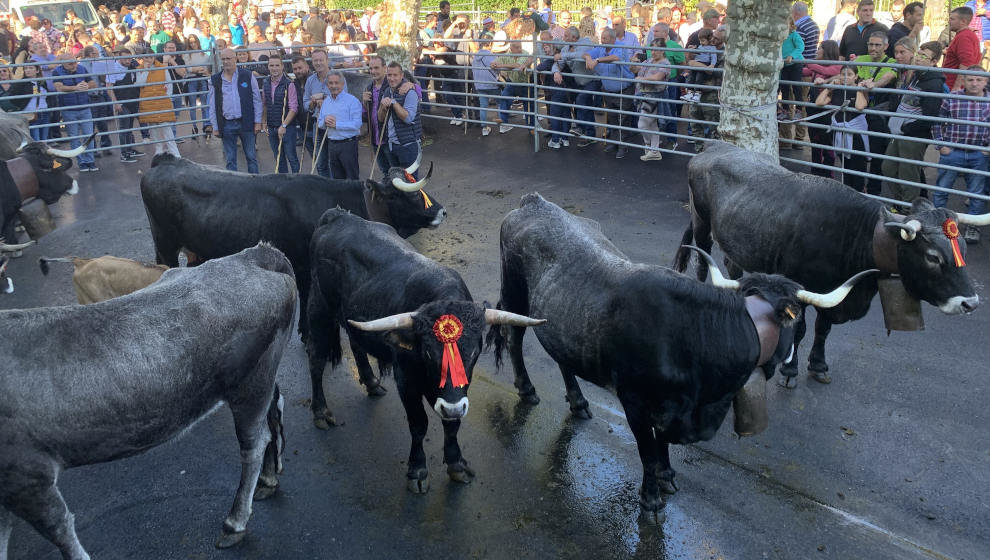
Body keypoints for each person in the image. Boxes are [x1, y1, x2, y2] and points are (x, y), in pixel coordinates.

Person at [932, 67, 990, 243]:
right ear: (963, 80)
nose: (974, 83)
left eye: (979, 80)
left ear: (985, 82)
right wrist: (941, 145)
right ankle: (937, 223)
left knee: (976, 192)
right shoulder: (953, 98)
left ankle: (973, 226)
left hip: (979, 153)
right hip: (953, 152)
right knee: (942, 188)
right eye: (970, 79)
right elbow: (937, 121)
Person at [882, 40, 945, 204]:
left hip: (913, 136)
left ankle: (909, 210)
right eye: (918, 54)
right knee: (888, 168)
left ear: (933, 62)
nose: (918, 58)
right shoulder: (916, 75)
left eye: (924, 56)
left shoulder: (934, 83)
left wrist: (906, 127)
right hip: (900, 131)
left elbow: (930, 117)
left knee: (908, 173)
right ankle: (901, 202)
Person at [208, 47, 263, 173]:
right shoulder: (215, 80)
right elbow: (212, 104)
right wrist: (215, 126)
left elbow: (257, 99)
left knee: (251, 157)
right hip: (227, 123)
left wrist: (258, 121)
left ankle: (256, 185)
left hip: (246, 121)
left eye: (229, 58)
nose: (226, 61)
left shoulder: (247, 76)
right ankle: (234, 188)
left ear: (235, 59)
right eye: (223, 59)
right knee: (230, 159)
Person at [815, 65, 869, 191]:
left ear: (856, 76)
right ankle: (849, 193)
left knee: (858, 166)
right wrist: (830, 87)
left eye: (849, 74)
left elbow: (860, 106)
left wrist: (859, 89)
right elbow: (819, 102)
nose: (845, 77)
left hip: (856, 134)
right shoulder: (837, 90)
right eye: (842, 74)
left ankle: (859, 193)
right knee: (846, 165)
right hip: (840, 132)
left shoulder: (860, 90)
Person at [51, 52, 98, 172]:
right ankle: (81, 162)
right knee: (74, 137)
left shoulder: (82, 68)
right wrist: (76, 87)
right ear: (63, 64)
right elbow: (59, 87)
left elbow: (93, 83)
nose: (74, 65)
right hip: (68, 108)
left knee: (88, 135)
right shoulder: (57, 71)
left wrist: (86, 85)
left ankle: (90, 160)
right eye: (70, 63)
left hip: (85, 106)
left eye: (75, 62)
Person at [804, 40, 842, 176]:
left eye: (819, 48)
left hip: (827, 111)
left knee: (827, 142)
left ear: (826, 51)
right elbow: (804, 71)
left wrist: (804, 60)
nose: (817, 51)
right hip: (813, 108)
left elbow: (824, 70)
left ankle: (828, 173)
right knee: (814, 140)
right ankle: (815, 171)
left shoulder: (837, 67)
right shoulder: (816, 67)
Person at [379, 62, 422, 176]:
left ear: (401, 75)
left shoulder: (410, 92)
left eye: (395, 75)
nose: (391, 78)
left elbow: (408, 118)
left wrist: (394, 103)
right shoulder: (387, 91)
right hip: (392, 145)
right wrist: (383, 107)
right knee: (397, 182)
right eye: (389, 75)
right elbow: (381, 119)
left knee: (410, 184)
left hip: (408, 146)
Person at [135, 46, 180, 157]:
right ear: (142, 58)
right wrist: (146, 70)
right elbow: (139, 84)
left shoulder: (162, 68)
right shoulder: (139, 69)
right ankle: (159, 150)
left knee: (166, 127)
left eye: (150, 57)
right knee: (153, 127)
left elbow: (169, 83)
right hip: (148, 102)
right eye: (146, 58)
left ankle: (174, 151)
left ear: (154, 57)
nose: (148, 60)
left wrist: (167, 97)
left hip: (161, 101)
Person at [316, 71, 361, 180]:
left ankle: (354, 197)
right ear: (327, 85)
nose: (334, 86)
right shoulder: (326, 102)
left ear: (342, 84)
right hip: (332, 144)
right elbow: (320, 123)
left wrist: (337, 125)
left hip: (348, 145)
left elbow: (357, 124)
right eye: (331, 83)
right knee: (337, 179)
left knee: (352, 178)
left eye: (336, 83)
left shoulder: (352, 101)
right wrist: (324, 121)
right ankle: (341, 198)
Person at [260, 53, 299, 174]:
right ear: (268, 67)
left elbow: (294, 108)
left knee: (291, 157)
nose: (274, 68)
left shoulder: (289, 84)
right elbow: (265, 104)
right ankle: (283, 182)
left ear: (282, 66)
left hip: (287, 128)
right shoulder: (266, 83)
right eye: (271, 65)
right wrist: (264, 121)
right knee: (278, 157)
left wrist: (284, 125)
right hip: (272, 126)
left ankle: (297, 182)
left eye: (277, 65)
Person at [634, 38, 671, 161]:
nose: (653, 52)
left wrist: (642, 79)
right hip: (644, 96)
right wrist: (633, 63)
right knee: (653, 124)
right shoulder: (648, 60)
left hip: (655, 97)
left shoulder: (665, 63)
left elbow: (658, 77)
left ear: (663, 50)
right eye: (652, 49)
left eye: (656, 49)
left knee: (642, 124)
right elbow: (636, 71)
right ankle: (654, 150)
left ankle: (649, 145)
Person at [107, 45, 144, 163]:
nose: (128, 61)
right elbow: (109, 88)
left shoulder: (133, 65)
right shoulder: (113, 68)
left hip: (133, 100)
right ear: (119, 58)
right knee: (124, 128)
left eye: (129, 58)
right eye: (125, 59)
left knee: (129, 127)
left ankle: (130, 149)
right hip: (122, 101)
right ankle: (124, 154)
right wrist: (116, 103)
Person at [492, 38, 535, 134]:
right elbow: (497, 60)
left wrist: (500, 65)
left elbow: (517, 65)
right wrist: (494, 63)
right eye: (517, 47)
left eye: (520, 46)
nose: (519, 49)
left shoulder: (525, 53)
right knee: (504, 98)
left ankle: (531, 127)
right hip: (512, 82)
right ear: (511, 48)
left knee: (528, 106)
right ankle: (503, 120)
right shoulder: (507, 55)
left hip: (525, 83)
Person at [303, 49, 334, 176]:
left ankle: (335, 191)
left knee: (334, 161)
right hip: (318, 124)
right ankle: (324, 191)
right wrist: (312, 103)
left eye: (321, 60)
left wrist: (325, 100)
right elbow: (305, 104)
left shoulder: (337, 77)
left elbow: (344, 99)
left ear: (327, 60)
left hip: (333, 124)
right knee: (320, 162)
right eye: (315, 60)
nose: (318, 63)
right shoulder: (310, 80)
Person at [942, 7, 981, 90]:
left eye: (952, 19)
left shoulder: (964, 37)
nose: (949, 22)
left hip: (952, 86)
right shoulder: (966, 35)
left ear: (963, 21)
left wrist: (957, 87)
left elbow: (966, 63)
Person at [472, 37, 500, 137]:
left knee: (483, 106)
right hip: (491, 84)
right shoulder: (490, 55)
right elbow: (496, 68)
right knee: (500, 104)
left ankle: (484, 128)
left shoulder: (475, 57)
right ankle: (502, 125)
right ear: (489, 44)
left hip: (479, 85)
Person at [184, 35, 210, 136]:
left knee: (204, 104)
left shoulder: (205, 55)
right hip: (191, 80)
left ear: (198, 42)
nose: (193, 44)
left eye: (194, 42)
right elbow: (188, 69)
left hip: (202, 79)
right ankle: (194, 127)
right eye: (191, 42)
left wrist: (196, 69)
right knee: (192, 105)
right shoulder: (186, 54)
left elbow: (207, 69)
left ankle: (205, 126)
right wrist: (198, 69)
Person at [21, 63, 49, 141]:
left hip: (44, 112)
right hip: (30, 114)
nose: (27, 70)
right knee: (35, 140)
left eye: (30, 68)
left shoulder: (42, 82)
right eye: (26, 68)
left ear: (37, 70)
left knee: (44, 140)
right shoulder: (21, 83)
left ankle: (43, 153)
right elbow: (15, 98)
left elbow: (48, 97)